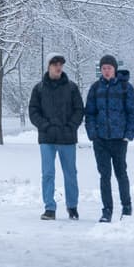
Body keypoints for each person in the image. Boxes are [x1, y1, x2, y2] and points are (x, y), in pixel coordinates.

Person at [28, 53, 84, 220]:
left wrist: (71, 126)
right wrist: (45, 126)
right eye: (55, 64)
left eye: (60, 64)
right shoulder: (39, 89)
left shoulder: (72, 87)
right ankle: (49, 208)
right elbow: (33, 111)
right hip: (47, 138)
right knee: (48, 173)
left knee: (70, 173)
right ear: (48, 66)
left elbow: (79, 110)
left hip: (67, 138)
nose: (58, 67)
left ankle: (72, 206)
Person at [84, 54, 134, 223]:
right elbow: (90, 113)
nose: (106, 71)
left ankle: (127, 207)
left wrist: (128, 134)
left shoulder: (125, 87)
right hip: (100, 140)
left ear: (115, 69)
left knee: (121, 173)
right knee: (104, 176)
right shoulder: (95, 88)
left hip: (119, 139)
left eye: (109, 68)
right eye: (103, 68)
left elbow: (133, 112)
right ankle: (107, 210)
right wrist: (93, 134)